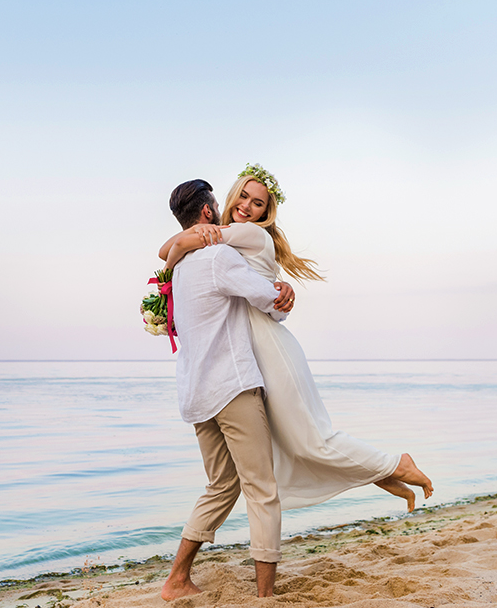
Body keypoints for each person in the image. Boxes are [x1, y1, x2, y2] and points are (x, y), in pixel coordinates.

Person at [160, 165, 433, 515]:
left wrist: (168, 277)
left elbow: (175, 244)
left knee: (311, 440)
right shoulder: (225, 234)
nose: (247, 206)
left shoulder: (248, 234)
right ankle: (387, 473)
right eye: (243, 196)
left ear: (265, 212)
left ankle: (396, 463)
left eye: (258, 203)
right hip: (249, 354)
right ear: (228, 198)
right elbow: (177, 244)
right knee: (294, 444)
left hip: (270, 347)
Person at [159, 178, 296, 600]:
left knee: (222, 486)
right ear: (206, 212)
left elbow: (168, 255)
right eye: (217, 205)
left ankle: (177, 578)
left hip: (196, 394)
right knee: (261, 488)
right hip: (232, 388)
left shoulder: (179, 269)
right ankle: (265, 594)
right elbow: (269, 304)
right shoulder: (218, 257)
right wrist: (284, 294)